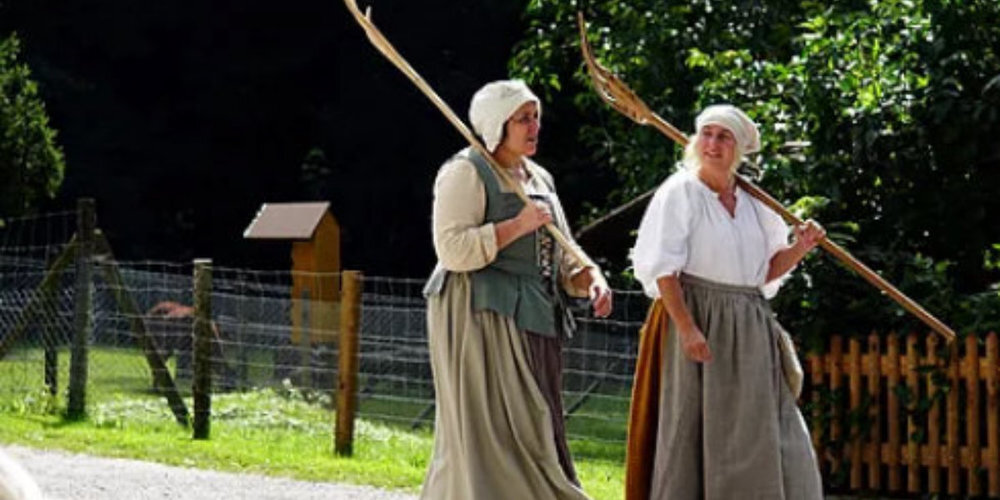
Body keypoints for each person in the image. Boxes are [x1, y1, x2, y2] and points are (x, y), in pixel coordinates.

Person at [420, 79, 613, 500]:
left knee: (536, 415)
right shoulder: (466, 171)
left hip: (533, 310)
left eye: (535, 117)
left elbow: (561, 247)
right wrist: (515, 226)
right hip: (479, 312)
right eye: (522, 119)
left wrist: (589, 276)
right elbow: (452, 249)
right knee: (491, 421)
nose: (533, 126)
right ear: (496, 124)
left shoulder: (538, 176)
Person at [626, 104, 825, 499]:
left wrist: (799, 248)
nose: (712, 144)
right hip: (698, 315)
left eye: (723, 137)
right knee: (694, 426)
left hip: (749, 323)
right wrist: (686, 328)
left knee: (763, 426)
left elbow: (764, 270)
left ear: (738, 150)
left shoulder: (756, 203)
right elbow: (665, 269)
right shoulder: (680, 193)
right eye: (706, 134)